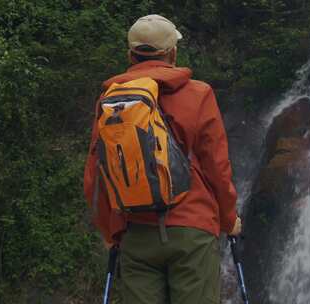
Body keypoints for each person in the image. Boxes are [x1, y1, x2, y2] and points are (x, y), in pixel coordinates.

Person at [83, 14, 242, 304]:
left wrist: (109, 230)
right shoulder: (198, 94)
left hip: (135, 231)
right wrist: (229, 218)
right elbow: (217, 168)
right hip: (192, 231)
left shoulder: (111, 100)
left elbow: (96, 175)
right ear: (172, 53)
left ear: (130, 55)